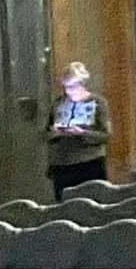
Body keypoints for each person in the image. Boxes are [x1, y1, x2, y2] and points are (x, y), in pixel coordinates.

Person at [45, 62, 111, 198]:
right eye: (66, 87)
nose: (69, 91)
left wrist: (82, 133)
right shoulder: (57, 103)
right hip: (62, 163)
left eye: (73, 86)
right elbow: (46, 133)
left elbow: (105, 135)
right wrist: (55, 133)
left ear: (82, 83)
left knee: (91, 200)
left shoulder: (98, 102)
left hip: (89, 162)